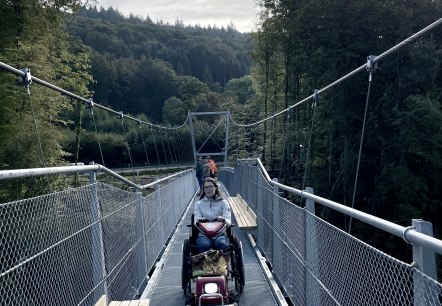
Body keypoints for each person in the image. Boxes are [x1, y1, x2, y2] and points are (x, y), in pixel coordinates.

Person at [194, 177, 231, 253]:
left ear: (215, 188)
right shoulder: (198, 204)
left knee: (221, 244)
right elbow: (196, 221)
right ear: (203, 189)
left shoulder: (223, 203)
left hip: (220, 233)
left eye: (210, 186)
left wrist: (223, 220)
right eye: (206, 187)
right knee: (204, 245)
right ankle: (203, 264)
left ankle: (222, 264)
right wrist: (199, 221)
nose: (208, 189)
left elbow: (228, 221)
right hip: (203, 234)